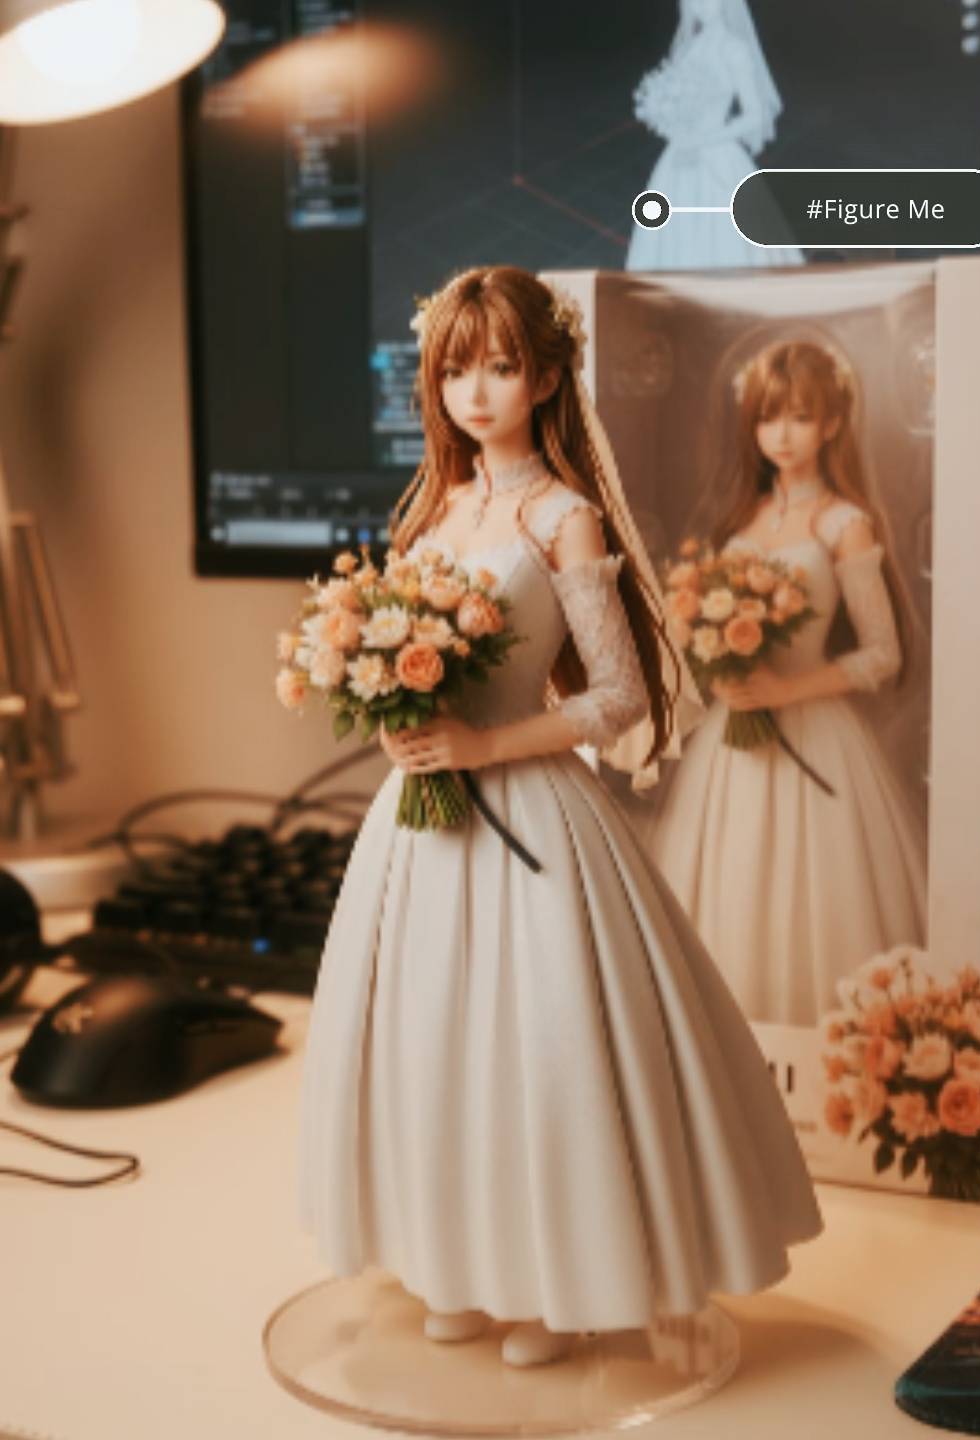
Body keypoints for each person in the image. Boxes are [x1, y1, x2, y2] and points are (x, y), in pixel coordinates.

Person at [297, 267, 821, 1371]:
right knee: (432, 1045)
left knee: (536, 1053)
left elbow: (618, 696)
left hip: (528, 814)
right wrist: (398, 718)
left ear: (544, 378)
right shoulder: (435, 511)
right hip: (422, 831)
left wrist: (483, 746)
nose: (475, 392)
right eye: (455, 370)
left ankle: (549, 1284)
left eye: (499, 367)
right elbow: (395, 654)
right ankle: (454, 1265)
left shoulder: (563, 519)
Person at [650, 338, 928, 1027]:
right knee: (732, 877)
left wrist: (783, 692)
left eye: (800, 417)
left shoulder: (843, 524)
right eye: (768, 417)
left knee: (818, 890)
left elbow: (883, 655)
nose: (781, 434)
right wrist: (710, 658)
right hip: (734, 738)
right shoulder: (742, 520)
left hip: (813, 728)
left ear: (831, 424)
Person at [627, 0, 803, 271]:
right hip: (680, 149)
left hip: (716, 149)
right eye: (694, 1)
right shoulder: (688, 46)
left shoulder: (734, 49)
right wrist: (669, 122)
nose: (700, 7)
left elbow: (755, 115)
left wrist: (700, 141)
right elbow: (678, 100)